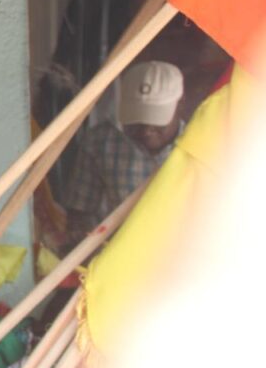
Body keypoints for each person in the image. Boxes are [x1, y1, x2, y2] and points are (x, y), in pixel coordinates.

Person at [63, 60, 184, 240]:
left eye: (156, 120)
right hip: (121, 250)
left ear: (179, 105)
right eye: (137, 121)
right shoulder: (100, 143)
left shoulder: (204, 145)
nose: (146, 130)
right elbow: (79, 214)